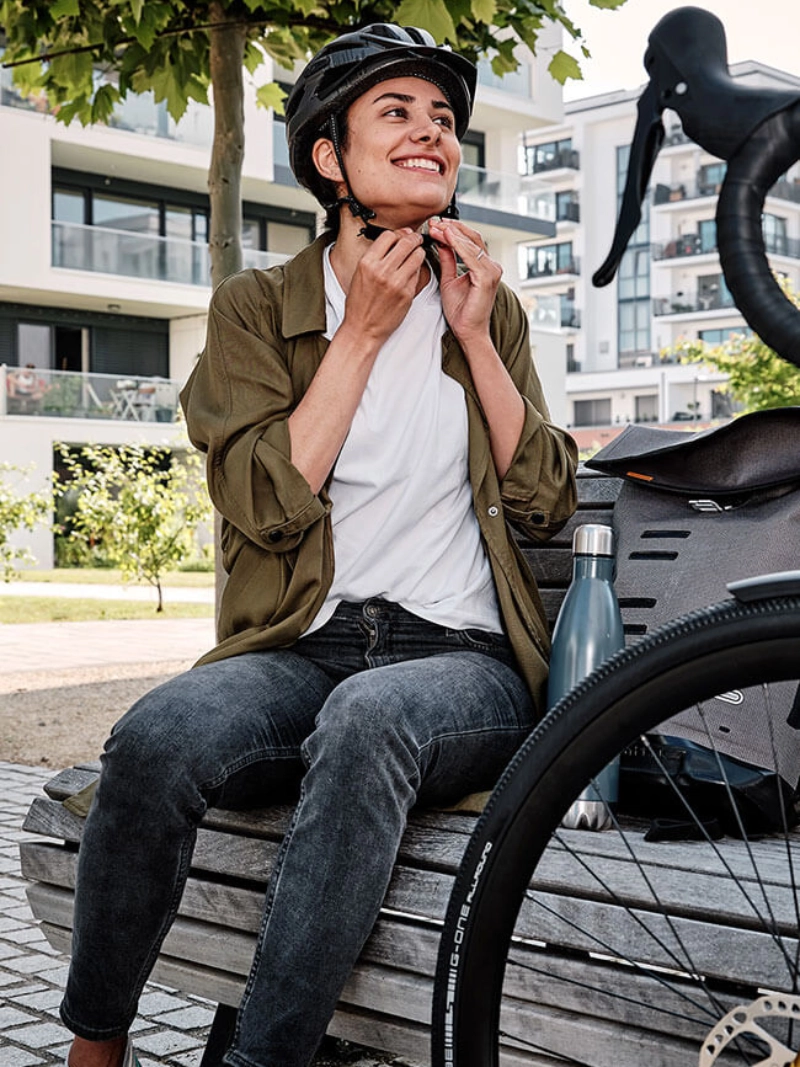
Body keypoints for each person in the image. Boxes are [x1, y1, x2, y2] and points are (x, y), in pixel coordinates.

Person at [60, 24, 578, 1067]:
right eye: (398, 112)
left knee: (371, 716)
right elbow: (262, 499)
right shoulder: (258, 309)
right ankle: (95, 1045)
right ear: (327, 159)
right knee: (157, 735)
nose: (433, 132)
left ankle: (264, 1058)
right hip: (303, 646)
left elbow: (546, 500)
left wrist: (474, 338)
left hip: (460, 664)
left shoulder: (487, 302)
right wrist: (361, 334)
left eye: (442, 119)